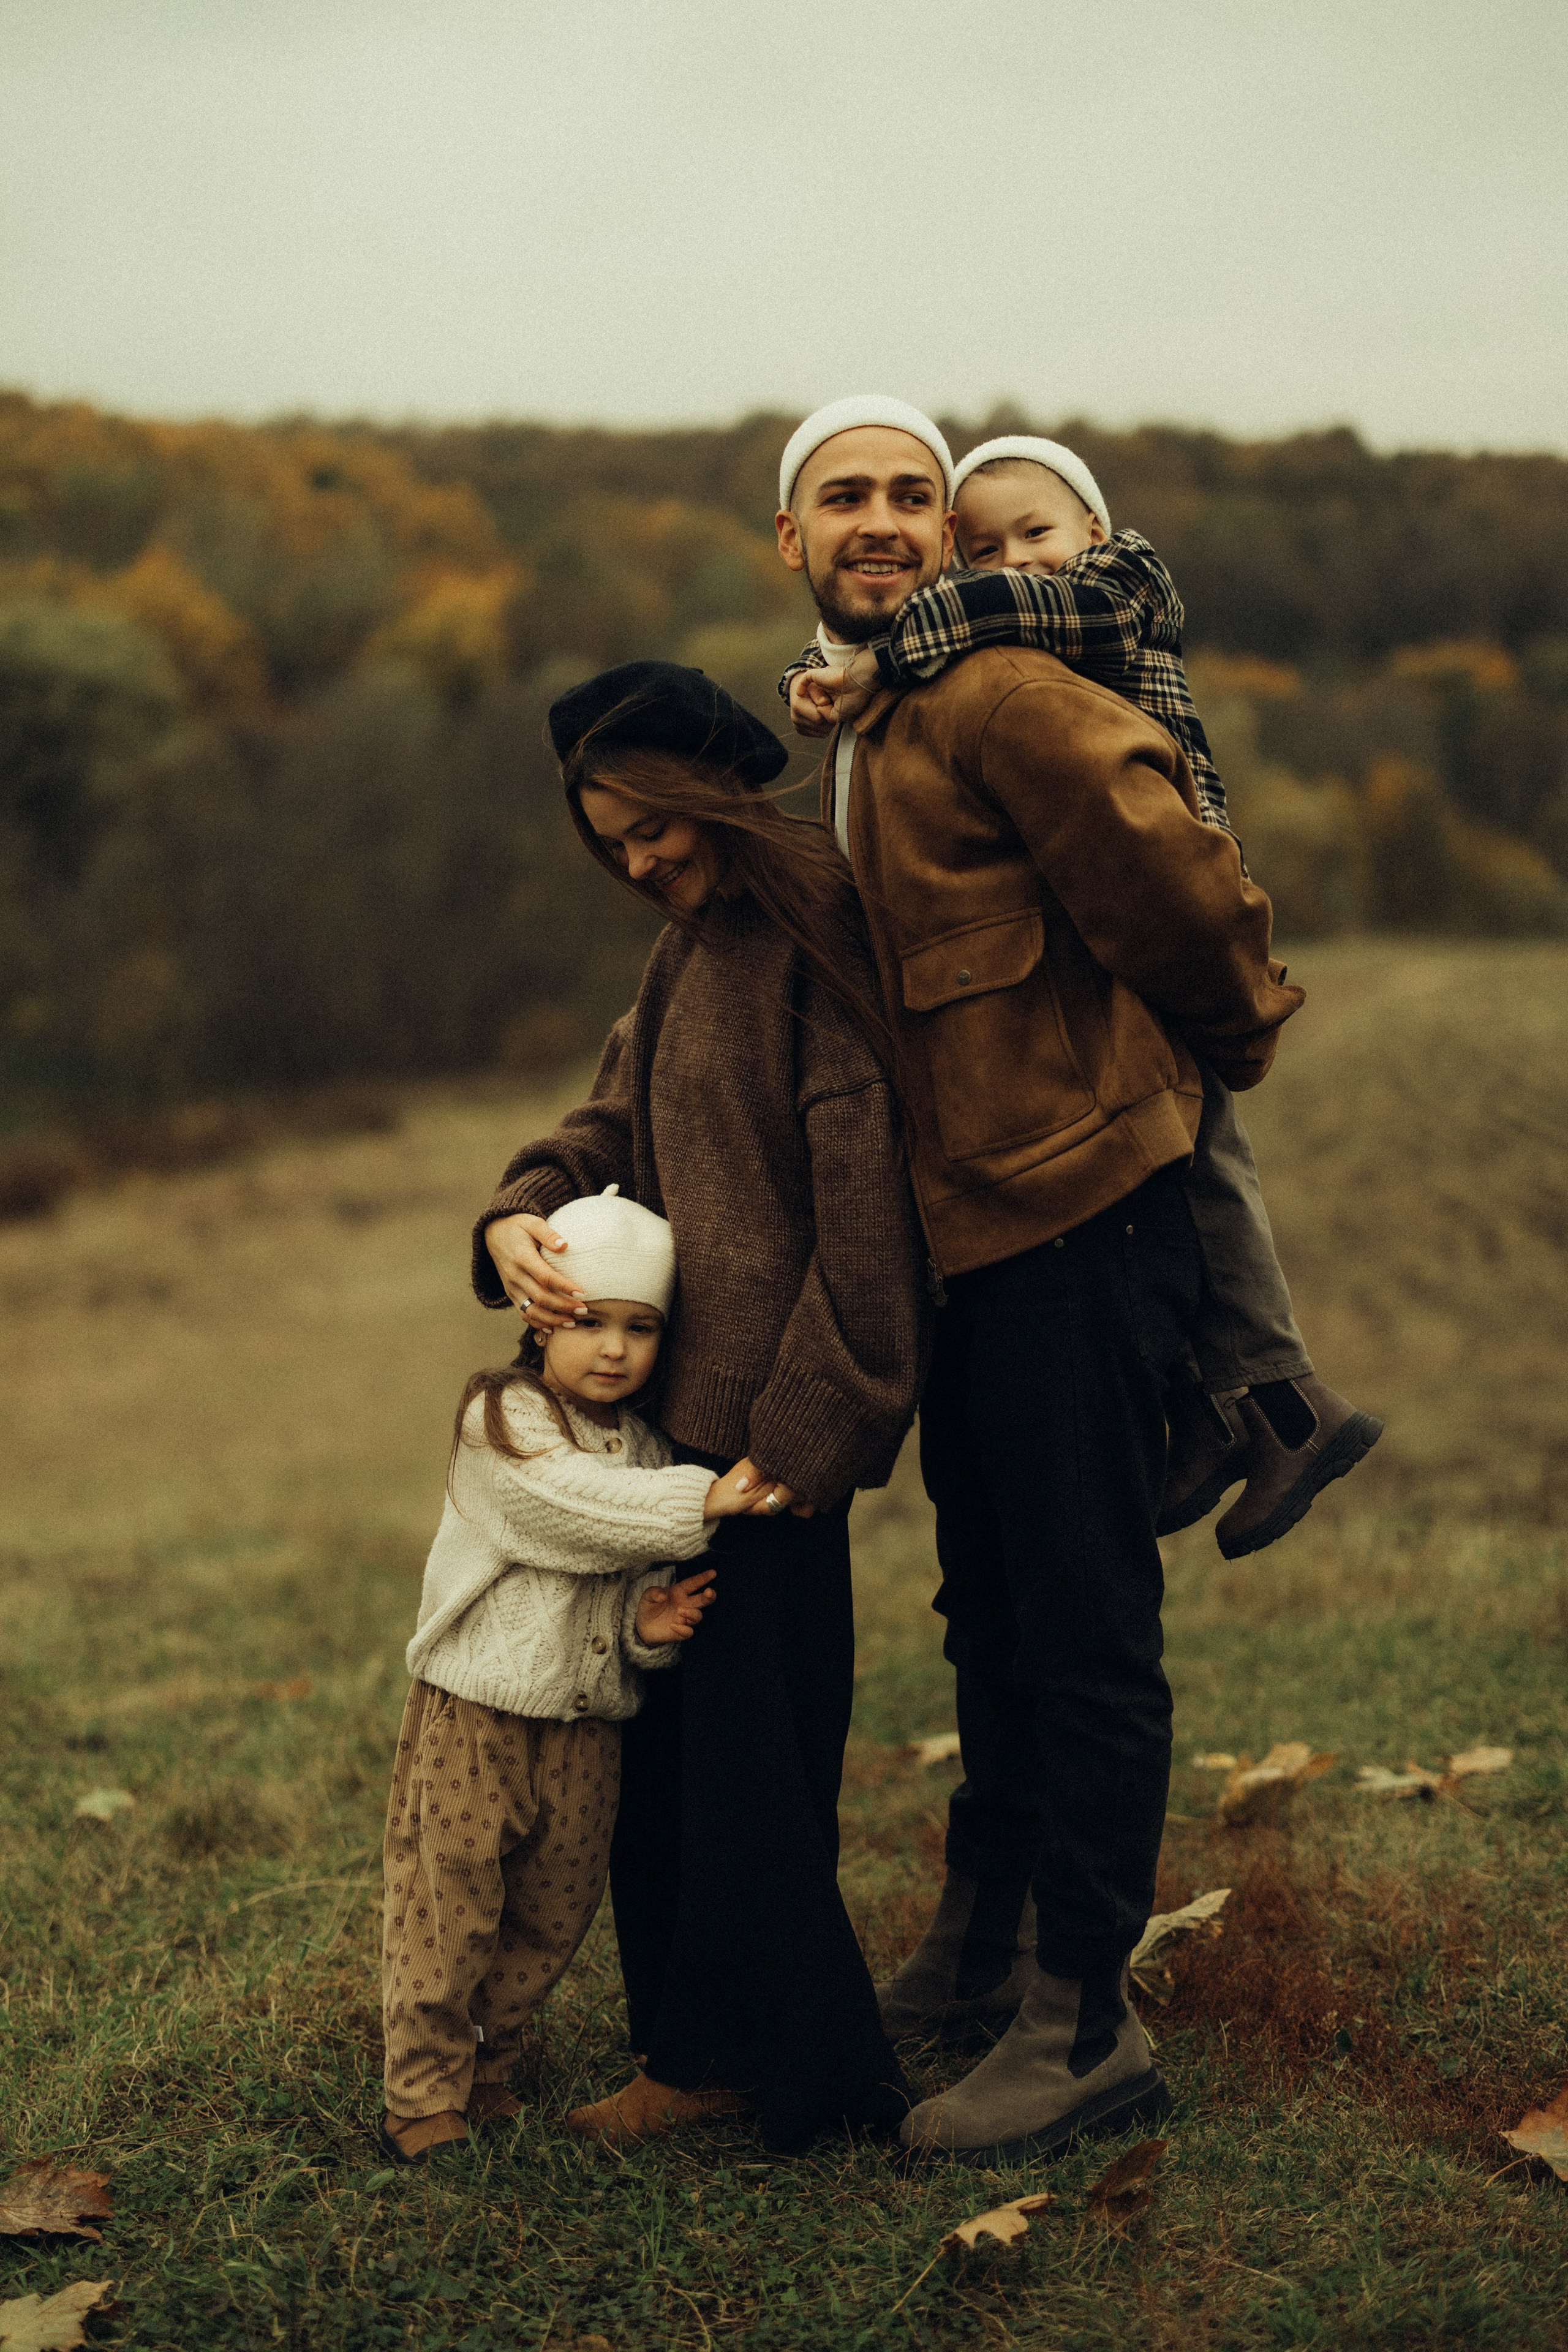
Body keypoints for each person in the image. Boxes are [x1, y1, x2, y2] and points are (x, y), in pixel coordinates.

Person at [772, 396, 1305, 2163]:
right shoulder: (869, 720)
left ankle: (1087, 2020)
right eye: (844, 496)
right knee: (989, 1611)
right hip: (969, 1251)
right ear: (794, 540)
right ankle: (981, 1947)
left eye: (914, 497)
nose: (885, 521)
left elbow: (1171, 868)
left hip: (1087, 1222)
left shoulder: (998, 691)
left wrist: (1226, 1044)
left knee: (1080, 1625)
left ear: (944, 532)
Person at [472, 659, 930, 2155]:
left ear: (710, 785)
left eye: (647, 827)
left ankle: (799, 2082)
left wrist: (803, 1439)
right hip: (685, 1447)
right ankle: (700, 2053)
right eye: (609, 844)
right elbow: (611, 1118)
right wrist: (518, 1213)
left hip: (765, 1449)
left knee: (751, 1776)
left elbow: (866, 1219)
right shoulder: (693, 948)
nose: (636, 862)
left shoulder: (809, 926)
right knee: (682, 1767)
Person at [782, 430, 1381, 1562]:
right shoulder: (938, 670)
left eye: (1036, 535)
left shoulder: (1106, 598)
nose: (1019, 564)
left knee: (1208, 1161)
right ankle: (1229, 1410)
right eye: (988, 546)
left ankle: (1287, 1400)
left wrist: (1238, 1030)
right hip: (1015, 1141)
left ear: (1095, 534)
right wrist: (837, 677)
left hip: (1168, 919)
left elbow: (1181, 896)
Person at [379, 1185, 750, 2165]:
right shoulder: (500, 1419)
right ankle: (422, 2089)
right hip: (480, 1713)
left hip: (587, 1726)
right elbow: (570, 1513)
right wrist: (706, 1500)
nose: (615, 1349)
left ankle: (492, 2061)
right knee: (451, 1900)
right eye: (589, 1321)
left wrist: (644, 1625)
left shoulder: (647, 1447)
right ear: (541, 1319)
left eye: (641, 1327)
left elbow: (602, 1587)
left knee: (553, 1909)